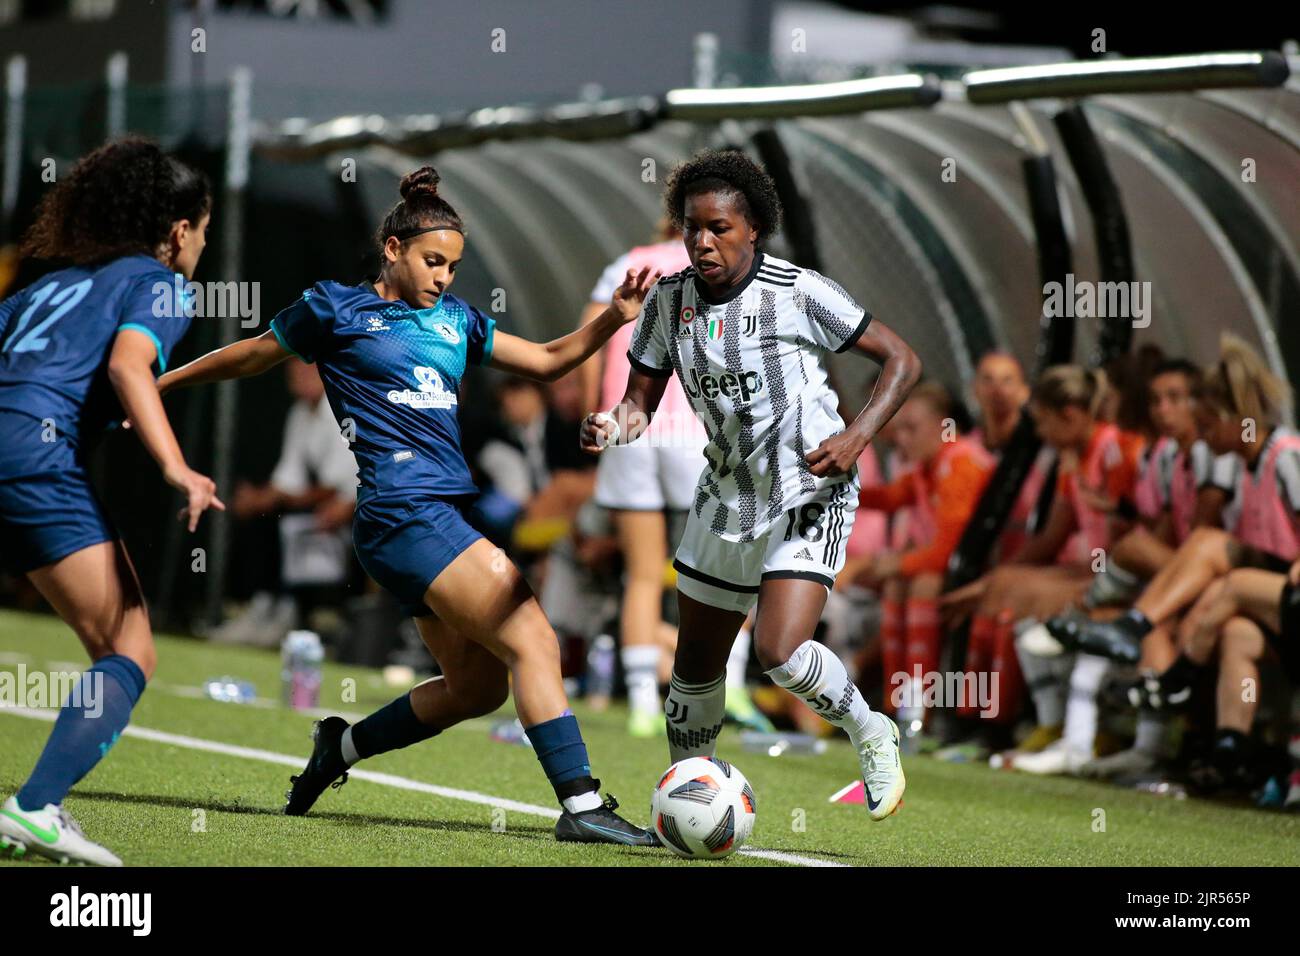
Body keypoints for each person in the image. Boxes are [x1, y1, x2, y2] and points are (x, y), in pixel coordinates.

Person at [156, 166, 660, 845]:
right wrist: (159, 382)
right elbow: (250, 355)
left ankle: (340, 748)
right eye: (432, 261)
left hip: (430, 519)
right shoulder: (335, 309)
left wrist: (613, 320)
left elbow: (546, 360)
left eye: (453, 265)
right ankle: (582, 804)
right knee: (534, 638)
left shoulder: (457, 321)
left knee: (476, 690)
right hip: (402, 513)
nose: (444, 277)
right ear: (392, 250)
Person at [582, 148, 921, 822]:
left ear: (753, 229)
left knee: (778, 649)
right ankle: (687, 809)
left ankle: (870, 730)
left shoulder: (799, 291)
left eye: (719, 228)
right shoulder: (668, 302)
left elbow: (902, 360)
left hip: (808, 489)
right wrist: (610, 427)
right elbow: (639, 404)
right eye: (692, 228)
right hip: (727, 493)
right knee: (695, 671)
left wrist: (856, 436)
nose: (703, 241)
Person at [0, 138, 221, 865]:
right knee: (129, 648)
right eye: (205, 229)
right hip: (32, 454)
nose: (203, 245)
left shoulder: (42, 285)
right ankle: (34, 809)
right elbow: (130, 365)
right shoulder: (161, 284)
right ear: (181, 230)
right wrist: (177, 467)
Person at [842, 381, 994, 738]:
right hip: (958, 571)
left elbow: (948, 551)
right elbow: (891, 496)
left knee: (916, 580)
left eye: (912, 428)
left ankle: (919, 710)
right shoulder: (932, 464)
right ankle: (900, 708)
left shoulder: (961, 464)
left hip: (985, 574)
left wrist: (895, 563)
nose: (900, 437)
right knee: (898, 582)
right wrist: (835, 481)